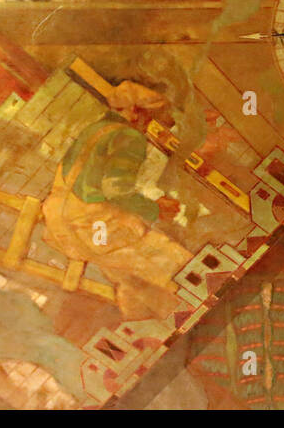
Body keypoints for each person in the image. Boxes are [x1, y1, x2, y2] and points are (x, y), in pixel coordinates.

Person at [41, 81, 191, 321]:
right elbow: (116, 190)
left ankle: (149, 323)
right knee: (175, 263)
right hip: (94, 221)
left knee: (128, 277)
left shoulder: (97, 129)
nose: (151, 125)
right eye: (151, 118)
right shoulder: (129, 137)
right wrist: (154, 209)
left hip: (61, 220)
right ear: (134, 112)